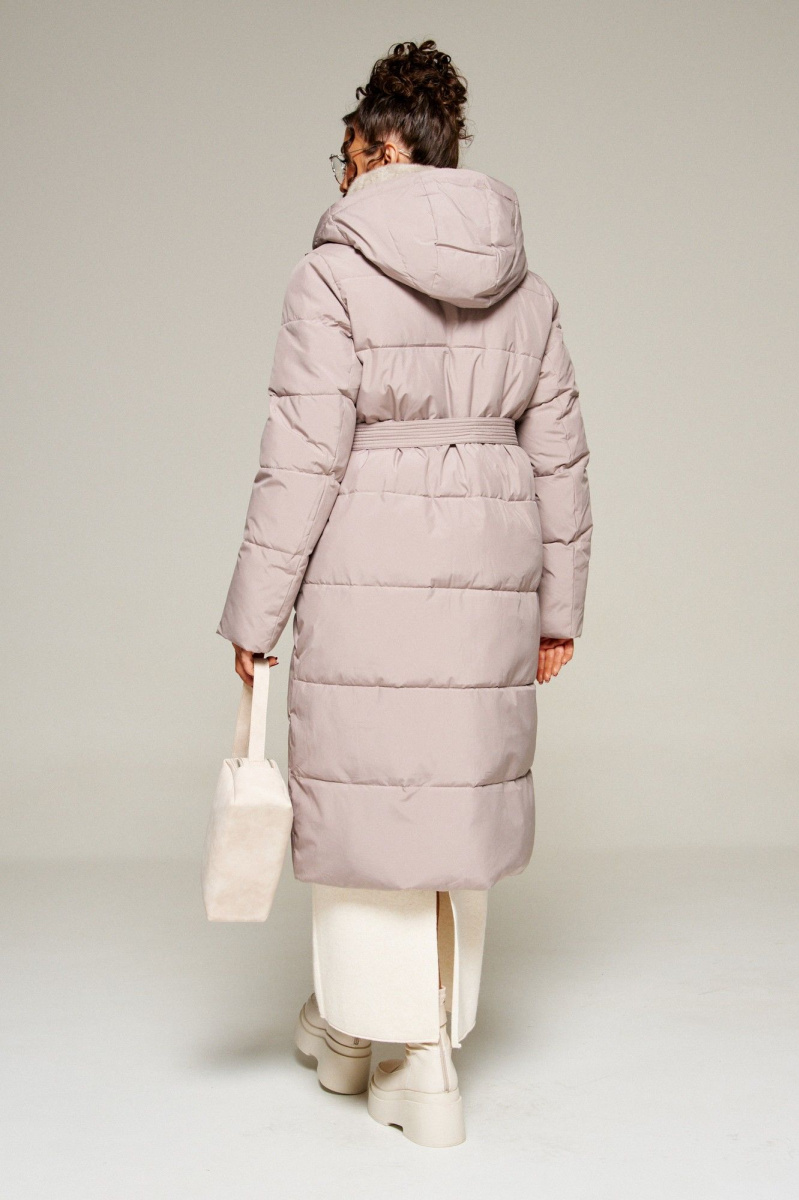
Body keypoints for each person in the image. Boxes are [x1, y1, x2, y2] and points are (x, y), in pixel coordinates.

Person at [216, 38, 592, 1148]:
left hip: (365, 561)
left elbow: (300, 459)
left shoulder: (330, 278)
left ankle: (407, 1060)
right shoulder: (530, 292)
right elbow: (562, 459)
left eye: (347, 155)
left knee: (368, 807)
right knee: (449, 812)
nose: (340, 176)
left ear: (383, 150)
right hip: (490, 577)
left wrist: (254, 616)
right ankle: (373, 1034)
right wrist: (559, 607)